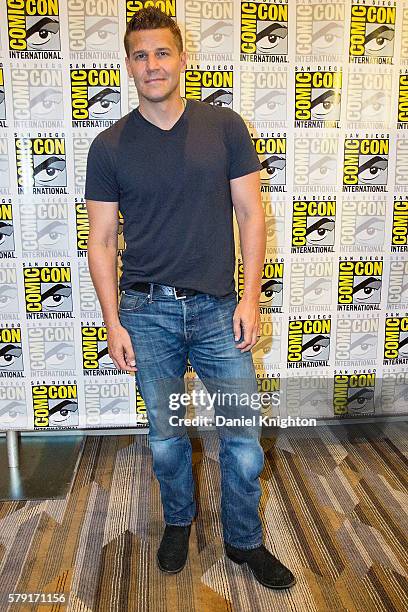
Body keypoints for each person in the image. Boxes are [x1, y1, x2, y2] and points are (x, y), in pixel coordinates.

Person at [84, 7, 295, 590]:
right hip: (145, 313)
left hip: (216, 309)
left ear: (181, 58)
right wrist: (112, 321)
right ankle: (178, 522)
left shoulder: (225, 128)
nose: (153, 64)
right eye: (141, 55)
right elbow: (101, 240)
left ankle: (244, 540)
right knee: (167, 437)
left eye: (162, 53)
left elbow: (251, 214)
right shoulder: (108, 146)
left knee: (243, 439)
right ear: (128, 65)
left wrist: (250, 299)